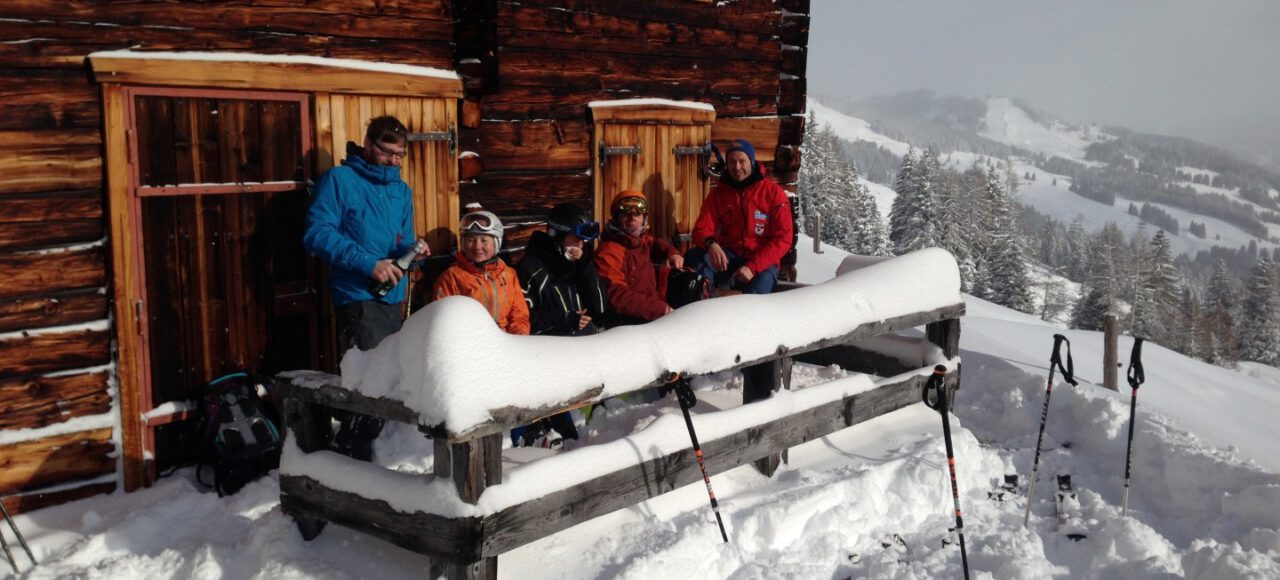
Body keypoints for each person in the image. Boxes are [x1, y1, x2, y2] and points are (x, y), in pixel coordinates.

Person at [303, 115, 426, 461]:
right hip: (357, 297)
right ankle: (351, 462)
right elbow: (317, 234)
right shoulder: (340, 180)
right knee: (368, 386)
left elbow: (400, 243)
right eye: (387, 152)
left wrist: (414, 254)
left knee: (388, 383)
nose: (393, 161)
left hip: (394, 298)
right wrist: (368, 264)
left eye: (400, 155)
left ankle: (372, 456)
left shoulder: (401, 190)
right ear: (368, 145)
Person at [511, 203, 609, 446]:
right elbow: (524, 319)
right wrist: (566, 320)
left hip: (581, 359)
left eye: (584, 242)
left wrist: (584, 266)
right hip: (546, 361)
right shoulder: (531, 268)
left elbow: (601, 309)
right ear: (557, 235)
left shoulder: (576, 265)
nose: (580, 246)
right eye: (576, 240)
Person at [688, 138, 794, 294]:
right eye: (732, 162)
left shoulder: (772, 193)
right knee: (696, 259)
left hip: (761, 260)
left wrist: (753, 267)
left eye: (741, 161)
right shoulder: (719, 193)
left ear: (751, 161)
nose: (736, 167)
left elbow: (783, 239)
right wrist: (711, 244)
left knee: (756, 296)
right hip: (729, 255)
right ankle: (704, 306)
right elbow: (701, 229)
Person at [434, 210, 531, 335]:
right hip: (471, 342)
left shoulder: (508, 274)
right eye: (471, 240)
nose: (477, 246)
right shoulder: (452, 276)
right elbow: (444, 320)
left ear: (496, 243)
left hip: (507, 341)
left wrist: (518, 338)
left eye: (484, 240)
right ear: (463, 244)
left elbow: (519, 315)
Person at [594, 190, 684, 325]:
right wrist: (662, 310)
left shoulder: (640, 240)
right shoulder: (609, 251)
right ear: (616, 217)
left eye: (637, 214)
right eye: (626, 214)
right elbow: (617, 296)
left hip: (652, 314)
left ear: (644, 218)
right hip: (628, 323)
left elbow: (655, 243)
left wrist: (673, 253)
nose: (632, 218)